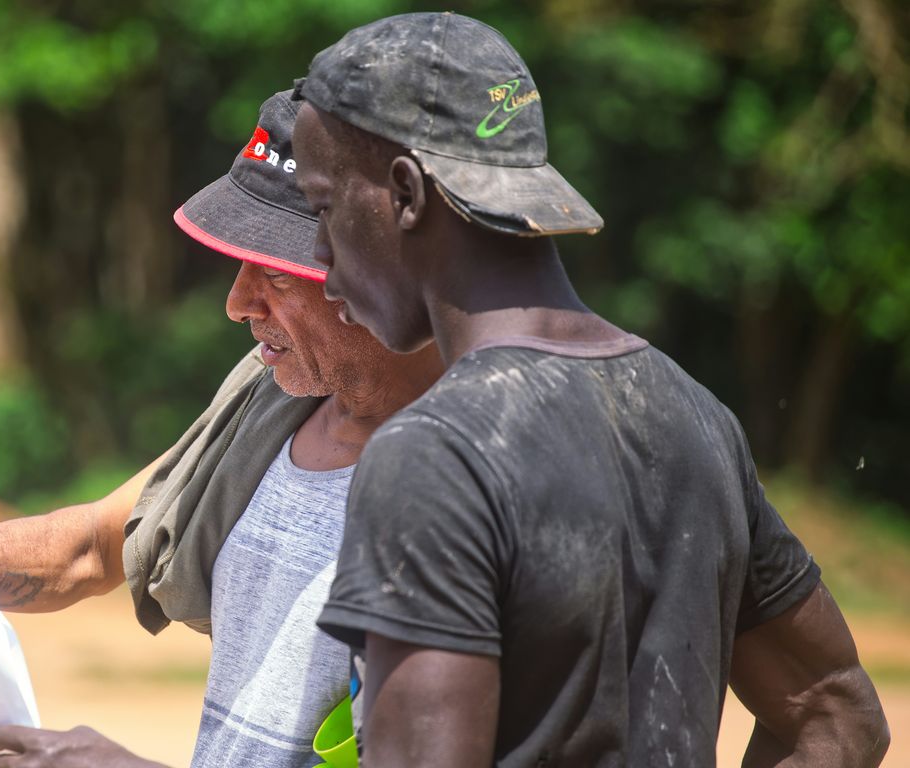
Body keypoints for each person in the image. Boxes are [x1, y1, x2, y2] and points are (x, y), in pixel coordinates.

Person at [287, 12, 890, 768]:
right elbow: (837, 715)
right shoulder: (693, 415)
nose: (319, 253)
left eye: (321, 207)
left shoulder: (435, 453)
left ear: (406, 193)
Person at [0, 91, 445, 768]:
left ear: (378, 267)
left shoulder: (473, 478)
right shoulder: (274, 400)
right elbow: (90, 547)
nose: (237, 303)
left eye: (275, 275)